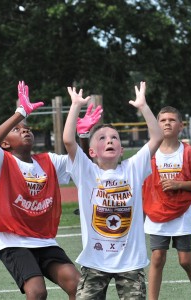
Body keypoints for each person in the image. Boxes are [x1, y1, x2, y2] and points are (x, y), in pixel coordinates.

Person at [0, 80, 101, 300]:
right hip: (13, 241)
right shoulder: (1, 162)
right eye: (17, 130)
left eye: (27, 129)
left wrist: (83, 137)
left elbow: (82, 164)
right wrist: (20, 113)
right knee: (37, 292)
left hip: (43, 239)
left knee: (78, 285)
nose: (25, 131)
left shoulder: (49, 161)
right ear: (6, 144)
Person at [63, 82, 164, 300]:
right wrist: (75, 106)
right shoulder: (86, 171)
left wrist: (143, 106)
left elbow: (157, 137)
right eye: (102, 138)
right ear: (91, 151)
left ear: (121, 149)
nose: (109, 140)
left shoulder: (133, 168)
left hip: (130, 262)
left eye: (114, 138)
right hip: (95, 261)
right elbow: (68, 140)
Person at [142, 106, 191, 300]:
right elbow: (140, 181)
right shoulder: (149, 152)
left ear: (181, 126)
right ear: (156, 125)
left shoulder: (188, 152)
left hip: (183, 214)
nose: (167, 123)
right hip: (157, 214)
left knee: (185, 260)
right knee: (157, 257)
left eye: (172, 120)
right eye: (162, 120)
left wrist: (178, 184)